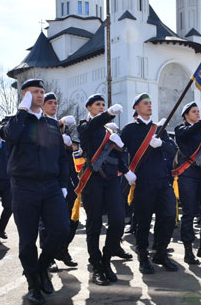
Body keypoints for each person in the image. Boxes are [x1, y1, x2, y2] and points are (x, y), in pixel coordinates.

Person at [0, 79, 72, 305]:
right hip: (24, 187)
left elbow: (61, 157)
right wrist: (22, 110)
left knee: (61, 229)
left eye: (41, 92)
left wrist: (62, 184)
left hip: (50, 186)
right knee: (28, 238)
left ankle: (42, 268)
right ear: (24, 95)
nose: (40, 95)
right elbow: (10, 136)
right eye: (34, 92)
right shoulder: (14, 121)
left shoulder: (51, 124)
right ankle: (33, 283)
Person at [76, 94, 134, 286]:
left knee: (118, 220)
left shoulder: (108, 131)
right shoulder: (84, 125)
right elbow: (92, 127)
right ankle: (96, 265)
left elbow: (117, 157)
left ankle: (107, 259)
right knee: (94, 224)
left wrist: (126, 172)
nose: (101, 107)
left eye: (103, 105)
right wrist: (108, 114)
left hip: (111, 180)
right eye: (97, 105)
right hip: (93, 179)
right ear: (89, 107)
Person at [120, 93, 178, 274]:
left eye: (150, 103)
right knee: (143, 221)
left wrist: (161, 143)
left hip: (162, 180)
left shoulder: (159, 129)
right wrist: (126, 170)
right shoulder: (130, 129)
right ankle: (143, 255)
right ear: (136, 108)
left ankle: (161, 252)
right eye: (145, 103)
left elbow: (173, 150)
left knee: (168, 216)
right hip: (143, 182)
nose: (149, 106)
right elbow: (118, 151)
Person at [173, 102, 201, 263]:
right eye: (194, 111)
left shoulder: (200, 132)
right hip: (188, 176)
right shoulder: (181, 129)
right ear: (186, 115)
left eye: (198, 111)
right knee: (189, 212)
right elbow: (189, 132)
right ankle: (188, 251)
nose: (198, 113)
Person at [40, 92, 78, 271]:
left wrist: (69, 146)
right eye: (49, 103)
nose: (53, 105)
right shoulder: (40, 122)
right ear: (42, 106)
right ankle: (48, 256)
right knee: (46, 221)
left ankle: (62, 249)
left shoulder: (63, 126)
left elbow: (68, 157)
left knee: (71, 219)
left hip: (66, 178)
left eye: (55, 103)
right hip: (48, 178)